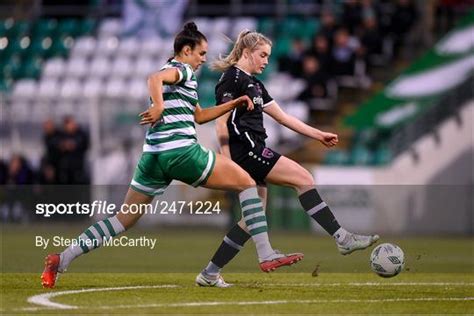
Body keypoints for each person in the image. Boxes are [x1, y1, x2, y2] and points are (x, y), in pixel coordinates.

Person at [41, 22, 302, 289]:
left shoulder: (179, 76)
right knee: (248, 182)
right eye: (201, 53)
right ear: (186, 50)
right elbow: (153, 78)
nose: (203, 59)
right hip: (180, 152)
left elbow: (199, 117)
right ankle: (265, 253)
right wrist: (158, 105)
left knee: (122, 219)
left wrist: (233, 103)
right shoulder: (182, 70)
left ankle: (61, 259)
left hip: (152, 159)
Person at [195, 30, 379, 287]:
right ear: (247, 52)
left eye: (268, 56)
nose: (266, 61)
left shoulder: (256, 84)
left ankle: (210, 273)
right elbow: (221, 123)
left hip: (253, 148)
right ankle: (342, 238)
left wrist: (318, 134)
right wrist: (226, 158)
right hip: (246, 150)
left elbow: (284, 118)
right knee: (304, 178)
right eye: (263, 55)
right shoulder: (231, 78)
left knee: (251, 220)